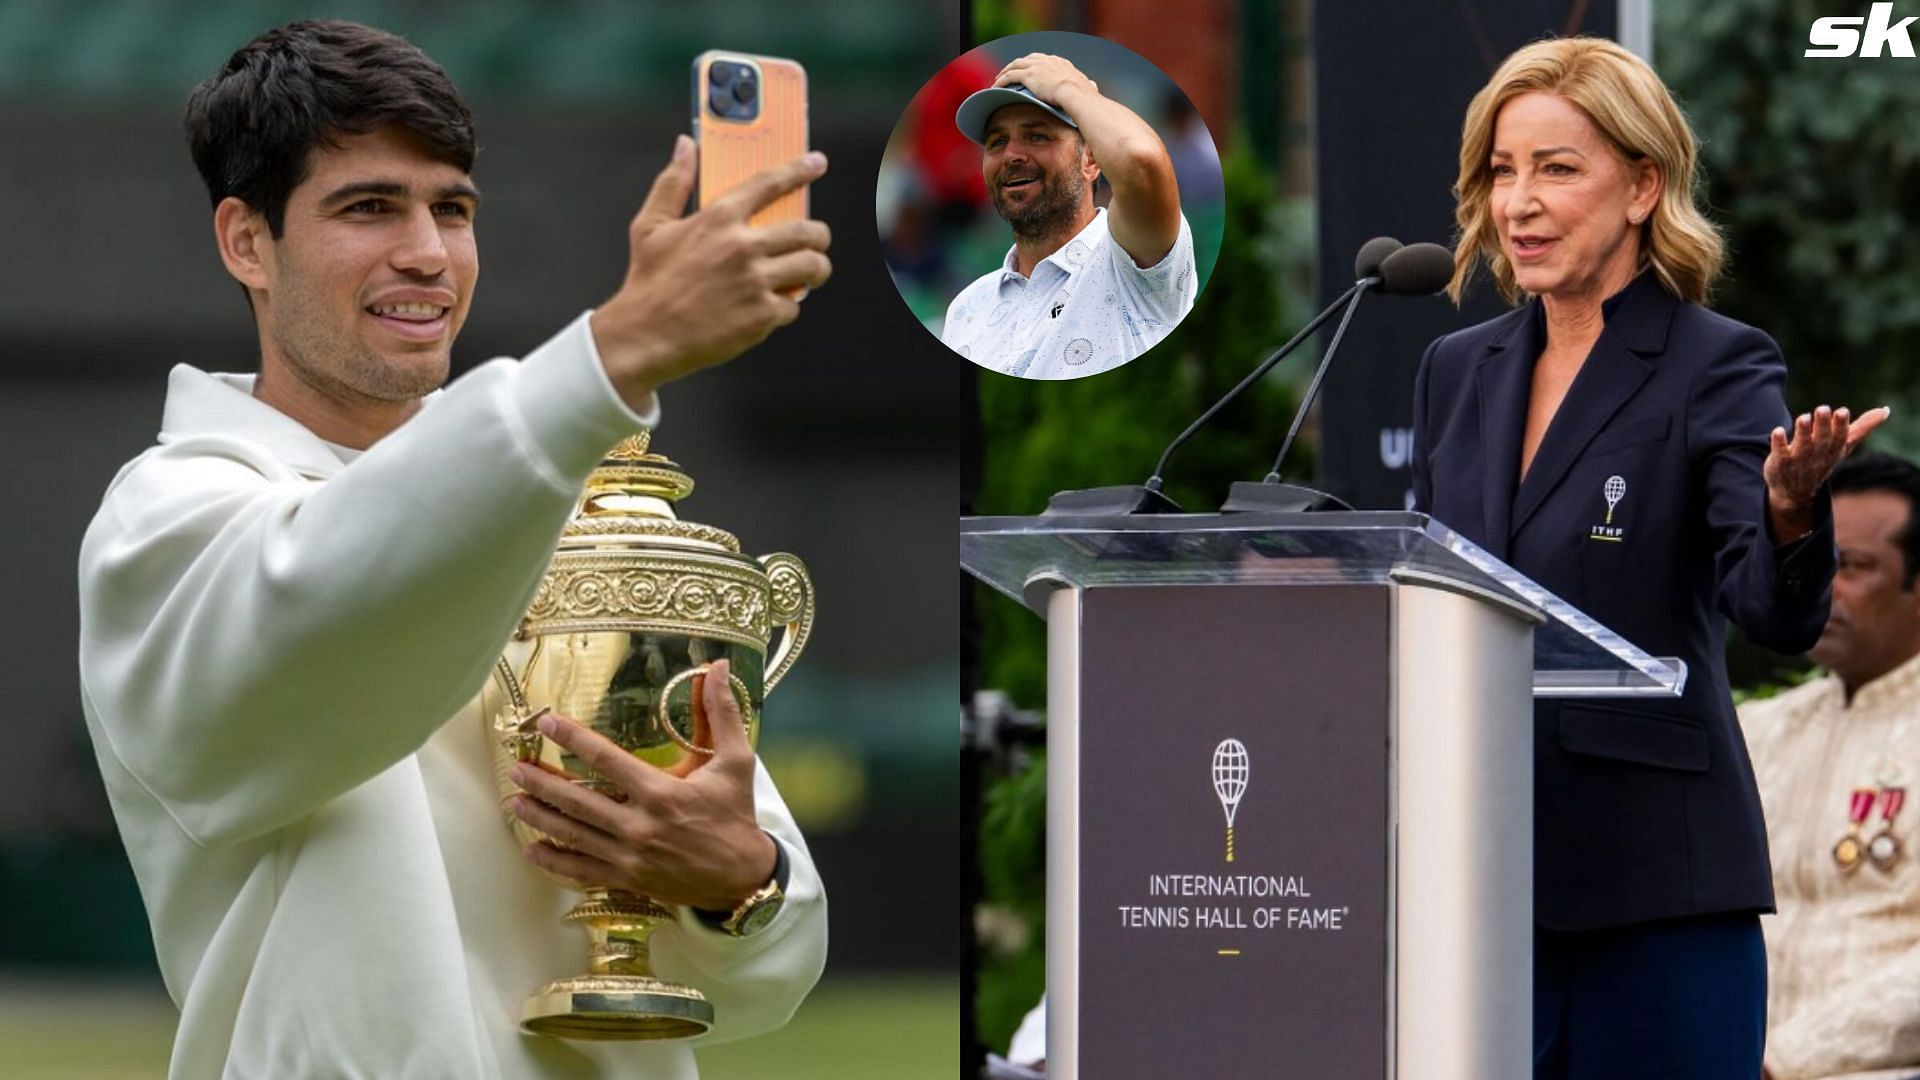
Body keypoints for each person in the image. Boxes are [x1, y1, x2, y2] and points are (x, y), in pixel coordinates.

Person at [75, 21, 833, 1078]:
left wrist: (737, 880)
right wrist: (610, 360)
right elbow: (334, 604)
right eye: (369, 206)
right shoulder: (168, 520)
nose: (427, 252)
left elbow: (764, 980)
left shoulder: (568, 511)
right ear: (247, 241)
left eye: (454, 208)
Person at [1409, 37, 1887, 1078]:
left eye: (1556, 167)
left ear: (1642, 187)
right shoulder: (1458, 372)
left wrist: (1791, 511)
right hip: (1480, 896)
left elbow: (1771, 613)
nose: (1519, 202)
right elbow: (1432, 600)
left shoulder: (1717, 365)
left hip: (1656, 896)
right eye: (1501, 170)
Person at [1741, 452, 1920, 1080]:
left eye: (1854, 567)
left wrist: (1782, 1061)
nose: (1825, 584)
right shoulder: (1758, 731)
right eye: (1819, 560)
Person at [940, 53, 1196, 379]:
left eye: (1037, 136)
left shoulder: (1131, 266)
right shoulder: (965, 308)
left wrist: (1071, 90)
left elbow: (1140, 160)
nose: (1011, 155)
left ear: (1091, 160)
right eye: (997, 141)